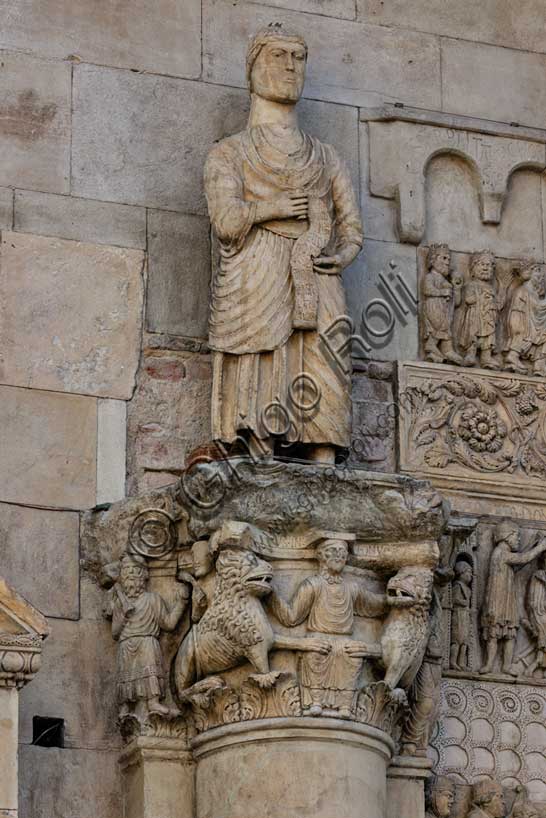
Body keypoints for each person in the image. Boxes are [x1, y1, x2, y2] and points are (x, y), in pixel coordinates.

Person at [204, 26, 363, 463]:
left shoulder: (326, 157)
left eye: (298, 57)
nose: (291, 66)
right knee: (263, 355)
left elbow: (352, 230)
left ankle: (324, 454)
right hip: (258, 270)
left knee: (328, 353)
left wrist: (342, 253)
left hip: (316, 270)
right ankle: (258, 446)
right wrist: (271, 205)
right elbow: (226, 221)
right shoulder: (230, 154)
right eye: (278, 56)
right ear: (253, 69)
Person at [268, 539, 385, 717]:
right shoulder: (313, 585)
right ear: (321, 556)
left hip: (345, 639)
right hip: (317, 637)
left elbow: (374, 605)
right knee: (316, 653)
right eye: (333, 551)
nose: (339, 555)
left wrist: (394, 599)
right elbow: (291, 617)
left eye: (343, 552)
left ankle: (345, 706)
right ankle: (315, 702)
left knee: (351, 655)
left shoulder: (352, 588)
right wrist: (272, 594)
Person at [111, 554, 189, 721]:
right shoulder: (119, 603)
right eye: (127, 571)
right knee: (126, 678)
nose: (131, 575)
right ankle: (125, 708)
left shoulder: (152, 599)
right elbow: (114, 633)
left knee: (149, 673)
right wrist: (124, 616)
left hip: (147, 642)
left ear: (143, 576)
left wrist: (181, 603)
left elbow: (168, 624)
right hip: (126, 645)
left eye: (135, 571)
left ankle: (153, 702)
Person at [480, 521, 546, 675]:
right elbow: (523, 559)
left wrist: (533, 544)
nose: (518, 539)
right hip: (497, 598)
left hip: (507, 597)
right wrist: (540, 547)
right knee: (494, 630)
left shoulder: (505, 554)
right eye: (516, 536)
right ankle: (489, 664)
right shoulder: (500, 553)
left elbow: (519, 562)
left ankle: (506, 666)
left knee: (510, 631)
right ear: (506, 536)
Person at [458, 250, 499, 369]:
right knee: (473, 333)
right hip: (475, 315)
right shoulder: (471, 285)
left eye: (489, 265)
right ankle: (471, 354)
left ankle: (486, 357)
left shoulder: (491, 288)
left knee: (489, 335)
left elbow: (495, 303)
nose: (486, 268)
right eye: (482, 264)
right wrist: (480, 298)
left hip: (488, 317)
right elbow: (468, 300)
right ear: (473, 268)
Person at [422, 244, 462, 365]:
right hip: (434, 307)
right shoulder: (430, 276)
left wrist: (457, 289)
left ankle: (447, 350)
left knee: (446, 329)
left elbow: (457, 303)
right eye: (443, 258)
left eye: (448, 259)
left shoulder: (445, 281)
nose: (447, 262)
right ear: (433, 260)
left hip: (445, 311)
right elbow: (427, 290)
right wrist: (442, 292)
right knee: (439, 326)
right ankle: (431, 344)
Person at [504, 261, 546, 375]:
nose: (540, 276)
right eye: (537, 271)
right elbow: (534, 307)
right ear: (529, 274)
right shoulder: (522, 291)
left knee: (543, 334)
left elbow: (537, 308)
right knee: (521, 339)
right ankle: (512, 357)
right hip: (522, 322)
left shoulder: (534, 292)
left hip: (534, 323)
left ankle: (539, 364)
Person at [524, 551, 546, 676]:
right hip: (539, 612)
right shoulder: (538, 575)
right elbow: (532, 600)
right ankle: (537, 664)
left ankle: (538, 664)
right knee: (542, 634)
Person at [450, 561, 473, 671]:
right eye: (468, 572)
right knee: (457, 639)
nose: (470, 575)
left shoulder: (468, 589)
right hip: (458, 613)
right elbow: (453, 599)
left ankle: (461, 663)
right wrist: (462, 602)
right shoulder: (457, 585)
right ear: (461, 573)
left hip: (465, 615)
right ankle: (453, 661)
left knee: (465, 641)